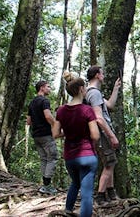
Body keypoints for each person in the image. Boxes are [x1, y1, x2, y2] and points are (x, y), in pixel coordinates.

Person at [52, 71, 100, 217]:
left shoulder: (61, 111)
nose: (85, 90)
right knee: (86, 194)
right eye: (84, 88)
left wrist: (69, 132)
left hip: (70, 157)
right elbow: (95, 136)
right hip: (87, 156)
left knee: (75, 183)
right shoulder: (87, 110)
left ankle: (67, 211)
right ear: (80, 89)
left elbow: (55, 134)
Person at [85, 65, 121, 205]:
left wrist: (116, 88)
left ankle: (111, 193)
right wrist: (111, 136)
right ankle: (100, 197)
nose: (104, 75)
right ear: (97, 75)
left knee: (110, 162)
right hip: (102, 133)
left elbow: (110, 105)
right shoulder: (94, 93)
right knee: (110, 163)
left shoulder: (91, 92)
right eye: (102, 73)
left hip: (99, 133)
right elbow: (99, 118)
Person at [26, 80, 58, 195]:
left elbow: (28, 121)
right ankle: (47, 186)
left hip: (36, 136)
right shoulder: (44, 101)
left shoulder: (32, 102)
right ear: (42, 88)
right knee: (53, 157)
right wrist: (56, 126)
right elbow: (48, 116)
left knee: (44, 159)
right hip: (45, 135)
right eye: (48, 87)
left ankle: (45, 185)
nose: (50, 89)